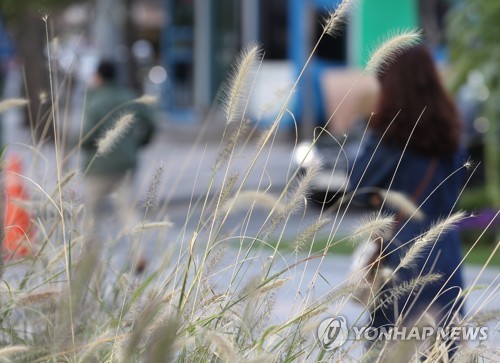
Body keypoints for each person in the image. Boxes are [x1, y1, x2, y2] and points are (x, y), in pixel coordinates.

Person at [349, 45, 466, 357]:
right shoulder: (452, 138)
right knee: (442, 350)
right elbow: (455, 190)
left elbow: (357, 187)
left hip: (402, 258)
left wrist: (368, 130)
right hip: (446, 255)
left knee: (389, 350)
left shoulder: (389, 140)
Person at [81, 60, 156, 230]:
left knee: (91, 214)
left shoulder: (94, 102)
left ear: (98, 76)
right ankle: (139, 252)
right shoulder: (129, 97)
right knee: (128, 211)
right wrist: (140, 143)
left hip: (98, 167)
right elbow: (151, 123)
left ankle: (88, 255)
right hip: (126, 164)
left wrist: (78, 143)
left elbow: (86, 135)